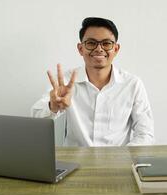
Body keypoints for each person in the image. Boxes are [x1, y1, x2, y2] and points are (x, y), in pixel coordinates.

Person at [30, 17, 154, 146]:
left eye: (106, 43)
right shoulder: (65, 82)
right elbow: (36, 116)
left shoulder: (132, 84)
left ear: (116, 49)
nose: (99, 49)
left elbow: (145, 134)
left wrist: (123, 158)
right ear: (80, 48)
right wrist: (53, 107)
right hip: (74, 162)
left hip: (118, 162)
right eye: (91, 43)